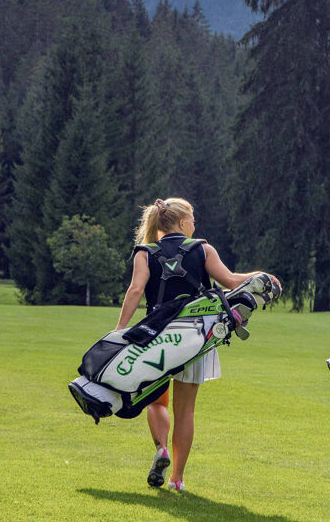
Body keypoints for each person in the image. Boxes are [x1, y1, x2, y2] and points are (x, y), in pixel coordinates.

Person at [117, 198, 275, 492]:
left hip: (157, 335)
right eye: (191, 219)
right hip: (196, 335)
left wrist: (120, 330)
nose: (194, 224)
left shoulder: (144, 252)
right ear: (180, 222)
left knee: (156, 400)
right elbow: (230, 281)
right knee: (185, 410)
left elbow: (136, 290)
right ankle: (177, 478)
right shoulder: (202, 248)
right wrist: (259, 276)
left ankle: (161, 448)